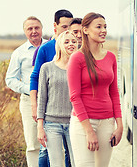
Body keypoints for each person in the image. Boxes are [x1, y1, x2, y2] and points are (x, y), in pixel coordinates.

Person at [67, 12, 122, 167]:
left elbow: (114, 93)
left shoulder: (111, 57)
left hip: (107, 122)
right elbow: (74, 97)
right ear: (85, 30)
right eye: (98, 27)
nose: (103, 30)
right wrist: (89, 131)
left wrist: (120, 125)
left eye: (105, 27)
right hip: (83, 123)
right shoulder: (77, 58)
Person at [30, 9, 73, 167]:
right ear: (55, 26)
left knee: (71, 154)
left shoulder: (74, 50)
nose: (67, 31)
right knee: (45, 151)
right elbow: (35, 78)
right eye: (64, 27)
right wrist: (34, 107)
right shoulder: (45, 49)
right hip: (50, 113)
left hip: (71, 117)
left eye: (70, 27)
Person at [5, 16, 45, 167]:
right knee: (33, 144)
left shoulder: (51, 47)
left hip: (52, 100)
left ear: (42, 29)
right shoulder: (19, 53)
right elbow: (10, 79)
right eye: (30, 28)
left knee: (55, 141)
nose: (34, 31)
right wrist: (30, 89)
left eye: (37, 28)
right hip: (29, 101)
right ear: (24, 32)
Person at [37, 30, 77, 167]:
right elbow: (42, 98)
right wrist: (40, 127)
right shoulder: (47, 68)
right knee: (56, 164)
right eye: (66, 42)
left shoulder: (80, 68)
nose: (71, 44)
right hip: (52, 124)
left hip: (74, 123)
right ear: (59, 45)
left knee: (76, 162)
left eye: (74, 41)